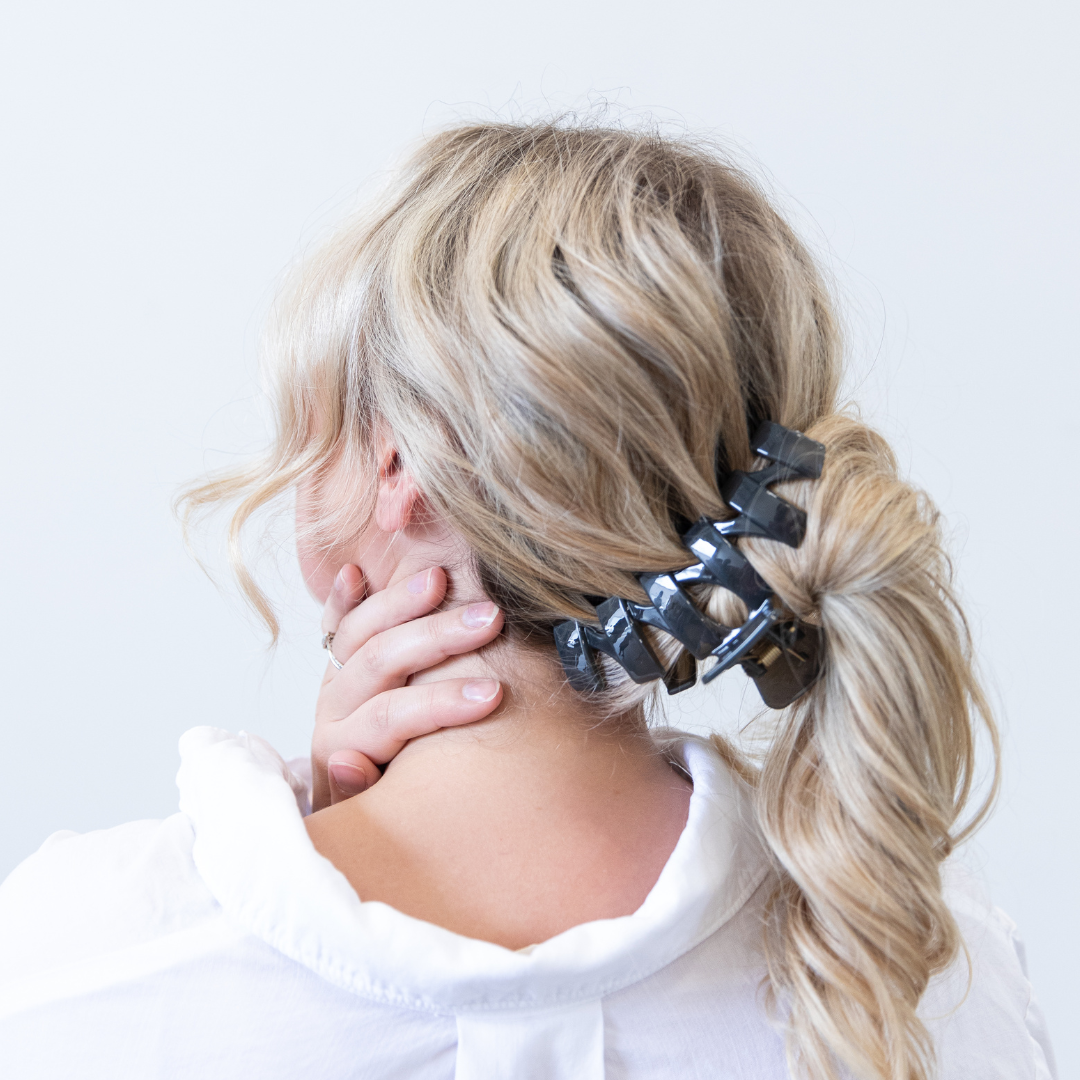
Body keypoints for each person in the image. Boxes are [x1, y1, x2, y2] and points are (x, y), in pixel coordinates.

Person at [0, 121, 1057, 1080]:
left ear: (399, 464)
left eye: (311, 420)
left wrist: (335, 836)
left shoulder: (77, 960)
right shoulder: (928, 970)